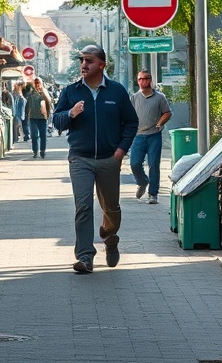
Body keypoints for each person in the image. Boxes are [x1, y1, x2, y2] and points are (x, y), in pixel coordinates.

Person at [52, 44, 138, 273]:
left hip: (109, 159)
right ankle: (85, 256)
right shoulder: (71, 91)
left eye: (89, 60)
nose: (84, 65)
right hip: (80, 158)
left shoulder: (116, 91)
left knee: (111, 207)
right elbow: (56, 121)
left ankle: (110, 238)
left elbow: (131, 122)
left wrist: (121, 150)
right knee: (83, 206)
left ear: (102, 65)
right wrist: (71, 113)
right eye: (82, 60)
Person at [129, 69, 171, 204]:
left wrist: (160, 123)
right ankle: (142, 181)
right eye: (140, 79)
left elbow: (167, 113)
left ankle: (153, 194)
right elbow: (128, 116)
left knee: (153, 164)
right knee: (135, 163)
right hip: (138, 136)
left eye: (146, 79)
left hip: (154, 135)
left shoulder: (159, 97)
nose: (143, 81)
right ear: (137, 81)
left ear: (150, 80)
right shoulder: (134, 98)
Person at [25, 77, 52, 158]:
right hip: (33, 117)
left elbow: (49, 105)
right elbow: (27, 105)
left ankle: (42, 151)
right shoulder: (31, 94)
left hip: (42, 118)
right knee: (34, 135)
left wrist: (48, 116)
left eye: (38, 82)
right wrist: (26, 114)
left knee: (43, 135)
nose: (37, 84)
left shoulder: (44, 93)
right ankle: (35, 151)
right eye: (35, 83)